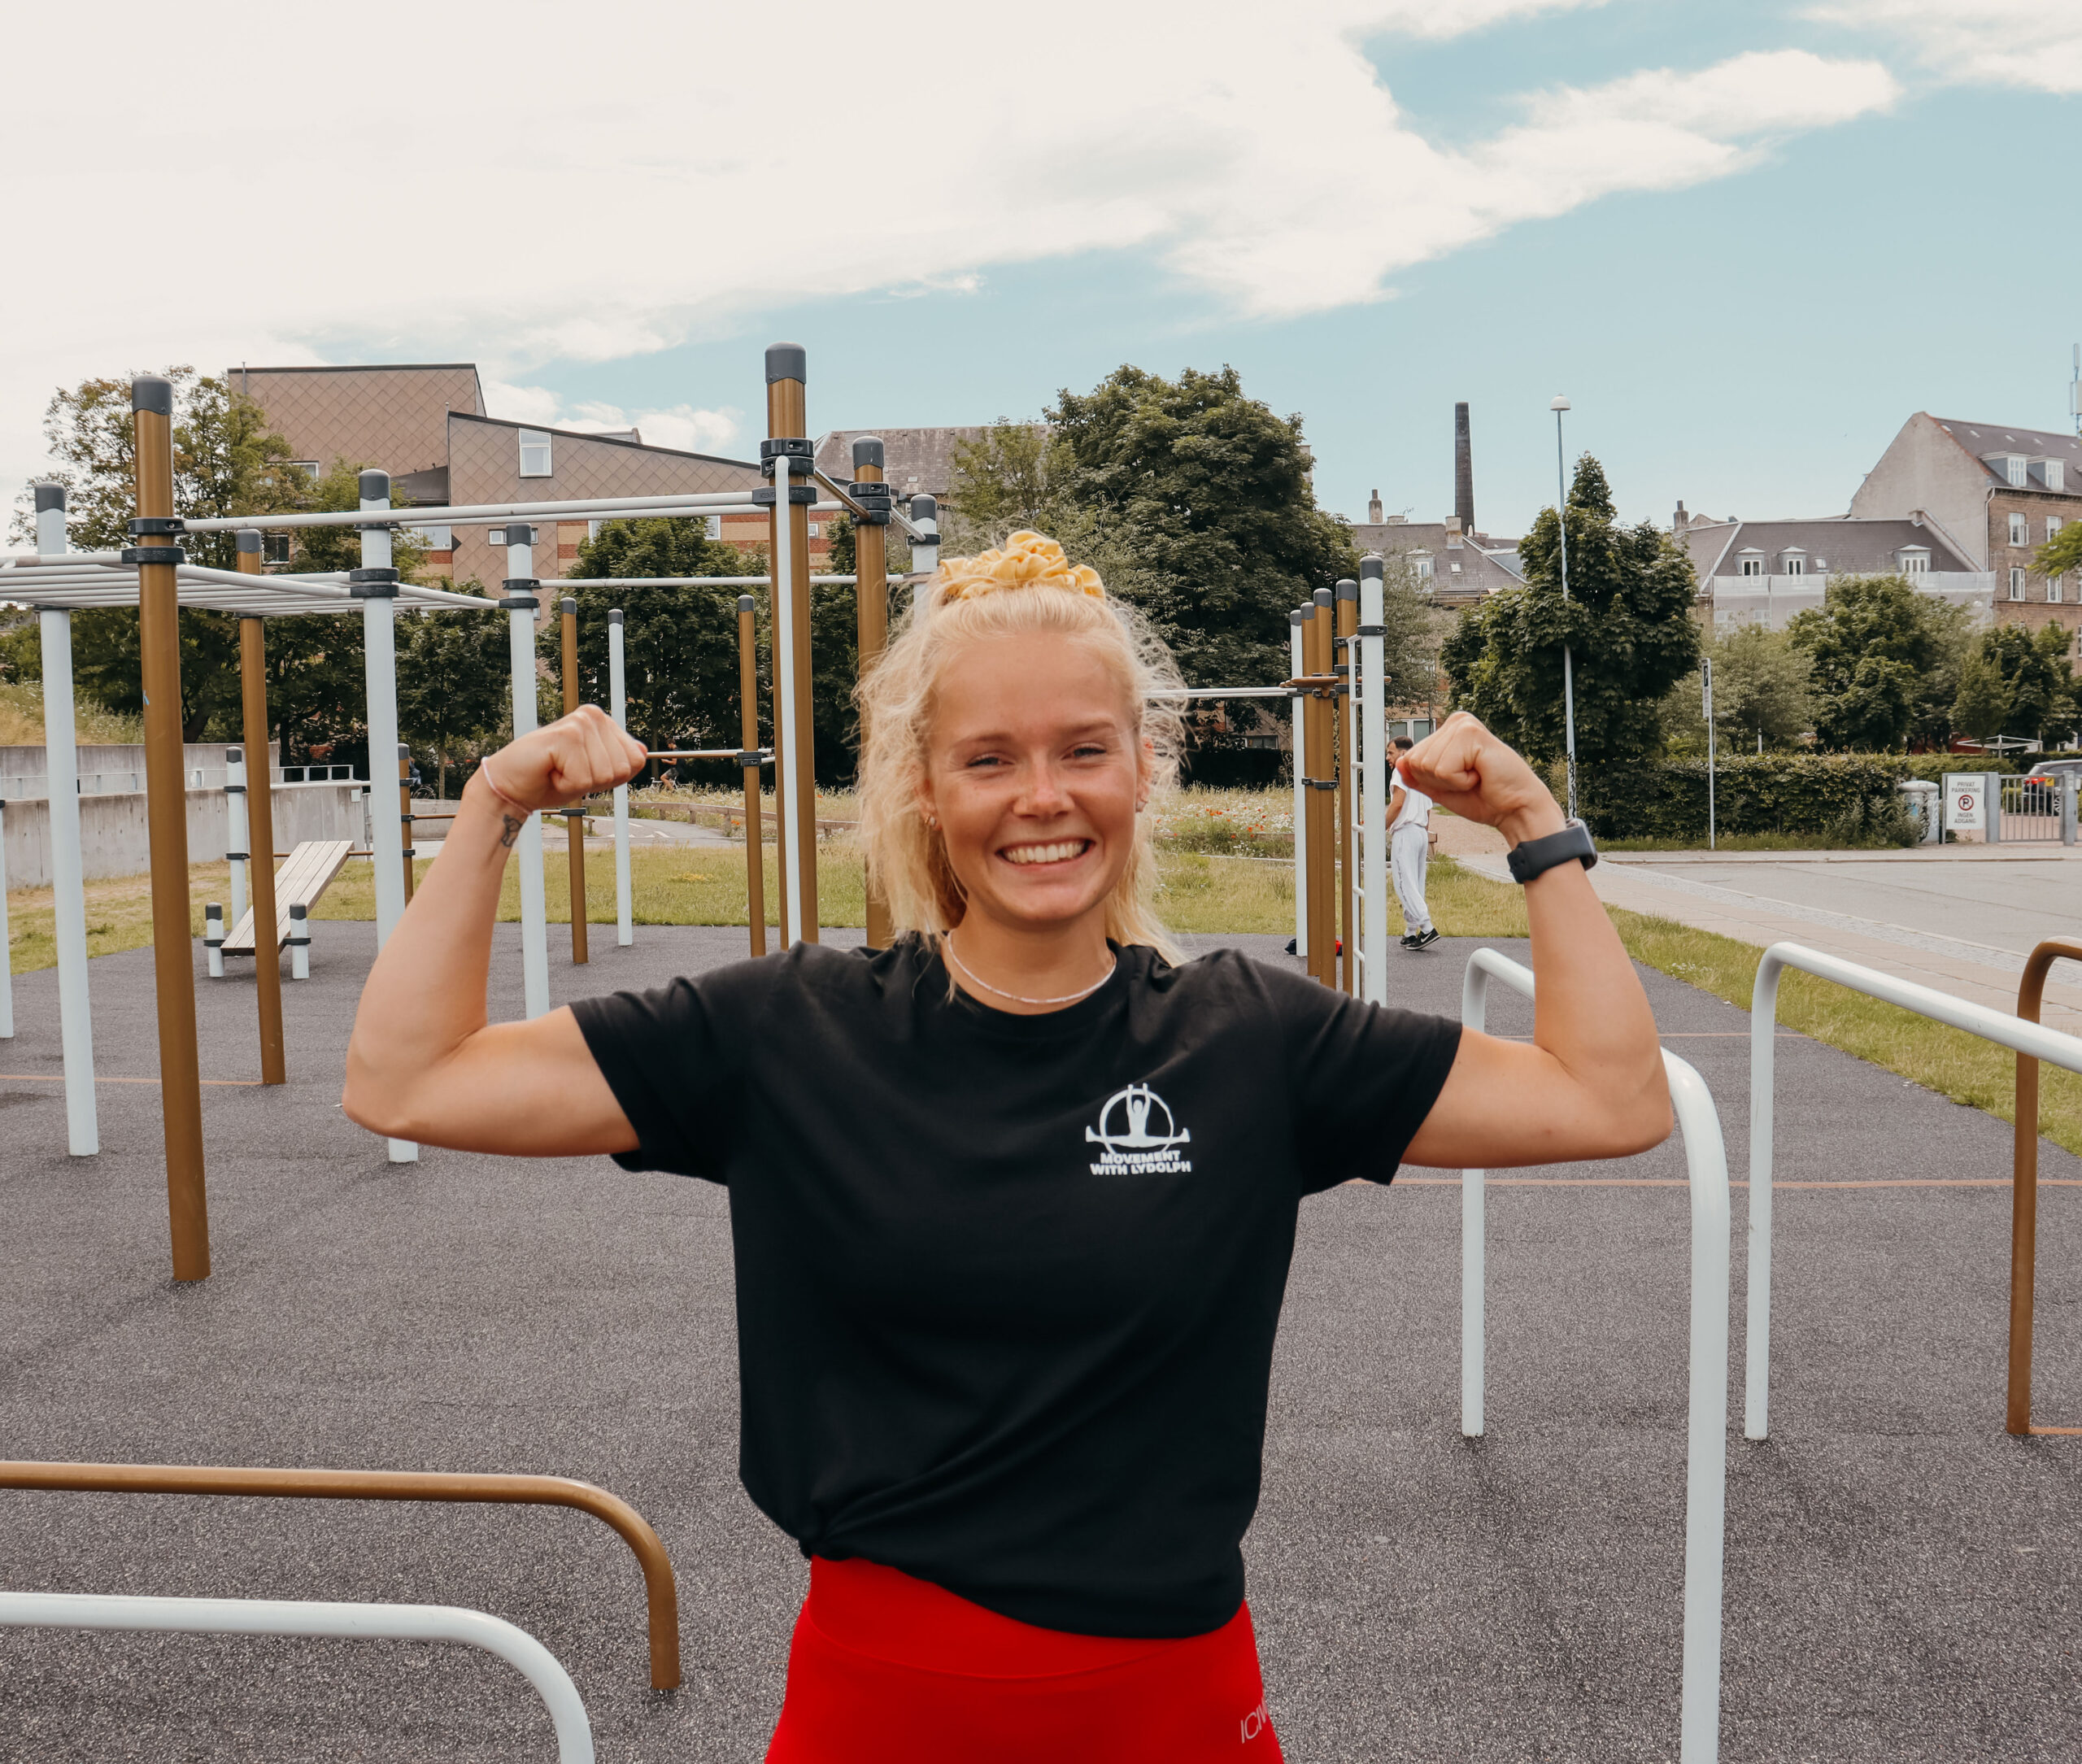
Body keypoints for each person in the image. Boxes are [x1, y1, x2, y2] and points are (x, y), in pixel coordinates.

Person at [342, 532, 1667, 1764]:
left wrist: (1539, 831)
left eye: (1084, 748)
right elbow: (407, 1076)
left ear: (1147, 762)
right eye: (990, 757)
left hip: (1176, 1703)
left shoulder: (1253, 1039)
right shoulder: (786, 1032)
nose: (1043, 796)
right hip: (881, 1704)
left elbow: (1608, 1098)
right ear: (926, 784)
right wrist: (489, 807)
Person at [1386, 734, 1437, 951]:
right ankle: (1411, 931)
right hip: (1420, 832)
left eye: (1390, 752)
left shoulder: (1401, 770)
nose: (1388, 757)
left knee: (1404, 883)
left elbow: (1397, 804)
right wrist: (1422, 834)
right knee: (1415, 883)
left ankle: (1427, 928)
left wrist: (1380, 827)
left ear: (1403, 753)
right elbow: (1427, 809)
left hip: (1406, 832)